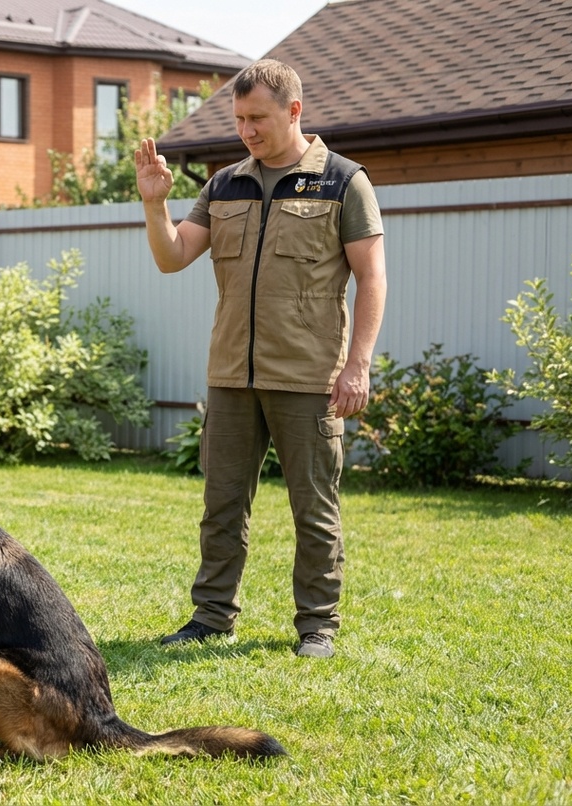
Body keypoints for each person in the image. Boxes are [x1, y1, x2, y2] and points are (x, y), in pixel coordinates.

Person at [134, 59, 387, 659]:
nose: (246, 130)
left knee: (314, 506)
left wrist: (358, 366)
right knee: (221, 502)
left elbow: (372, 279)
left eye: (258, 118)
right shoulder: (223, 185)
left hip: (308, 376)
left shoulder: (343, 182)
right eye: (239, 118)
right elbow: (172, 258)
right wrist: (153, 204)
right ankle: (211, 616)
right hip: (230, 375)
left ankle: (317, 625)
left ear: (294, 111)